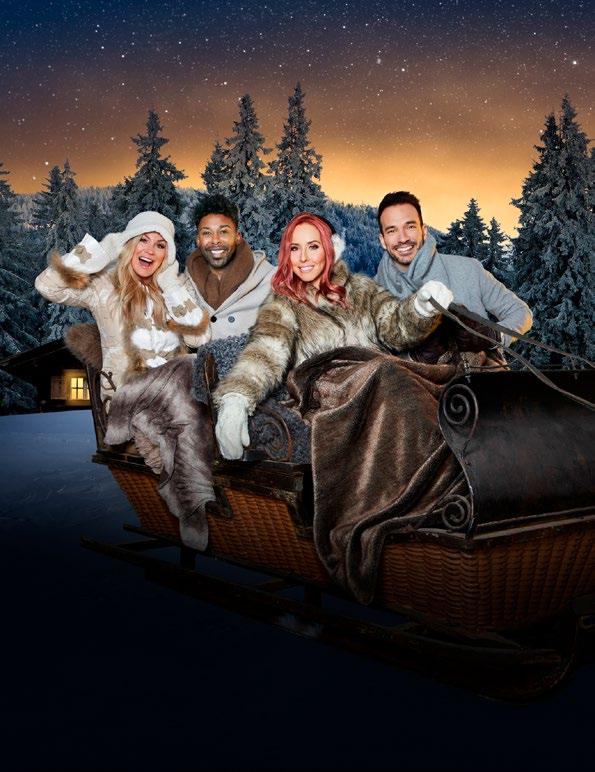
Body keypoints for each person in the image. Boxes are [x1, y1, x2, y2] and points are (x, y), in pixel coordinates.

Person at [212, 212, 453, 460]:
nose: (303, 258)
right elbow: (266, 350)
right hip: (327, 397)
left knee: (417, 383)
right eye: (295, 248)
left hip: (380, 385)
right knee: (387, 372)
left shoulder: (362, 290)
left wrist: (420, 309)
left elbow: (396, 327)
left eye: (313, 247)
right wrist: (237, 397)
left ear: (331, 249)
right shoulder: (284, 303)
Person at [35, 211, 210, 402]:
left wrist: (171, 286)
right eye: (143, 240)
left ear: (167, 255)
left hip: (171, 402)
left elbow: (199, 337)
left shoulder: (175, 291)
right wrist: (103, 250)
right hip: (123, 403)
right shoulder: (102, 285)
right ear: (128, 243)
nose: (150, 251)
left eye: (160, 245)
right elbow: (47, 285)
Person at [374, 191, 532, 361]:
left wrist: (493, 335)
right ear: (383, 240)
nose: (403, 238)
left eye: (410, 226)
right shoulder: (370, 297)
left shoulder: (469, 270)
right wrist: (413, 358)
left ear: (423, 231)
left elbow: (521, 312)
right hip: (409, 378)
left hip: (484, 375)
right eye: (392, 230)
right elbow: (365, 359)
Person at [183, 194, 275, 339]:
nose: (215, 240)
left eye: (223, 232)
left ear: (237, 236)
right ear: (198, 240)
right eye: (207, 233)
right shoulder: (183, 286)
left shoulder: (271, 281)